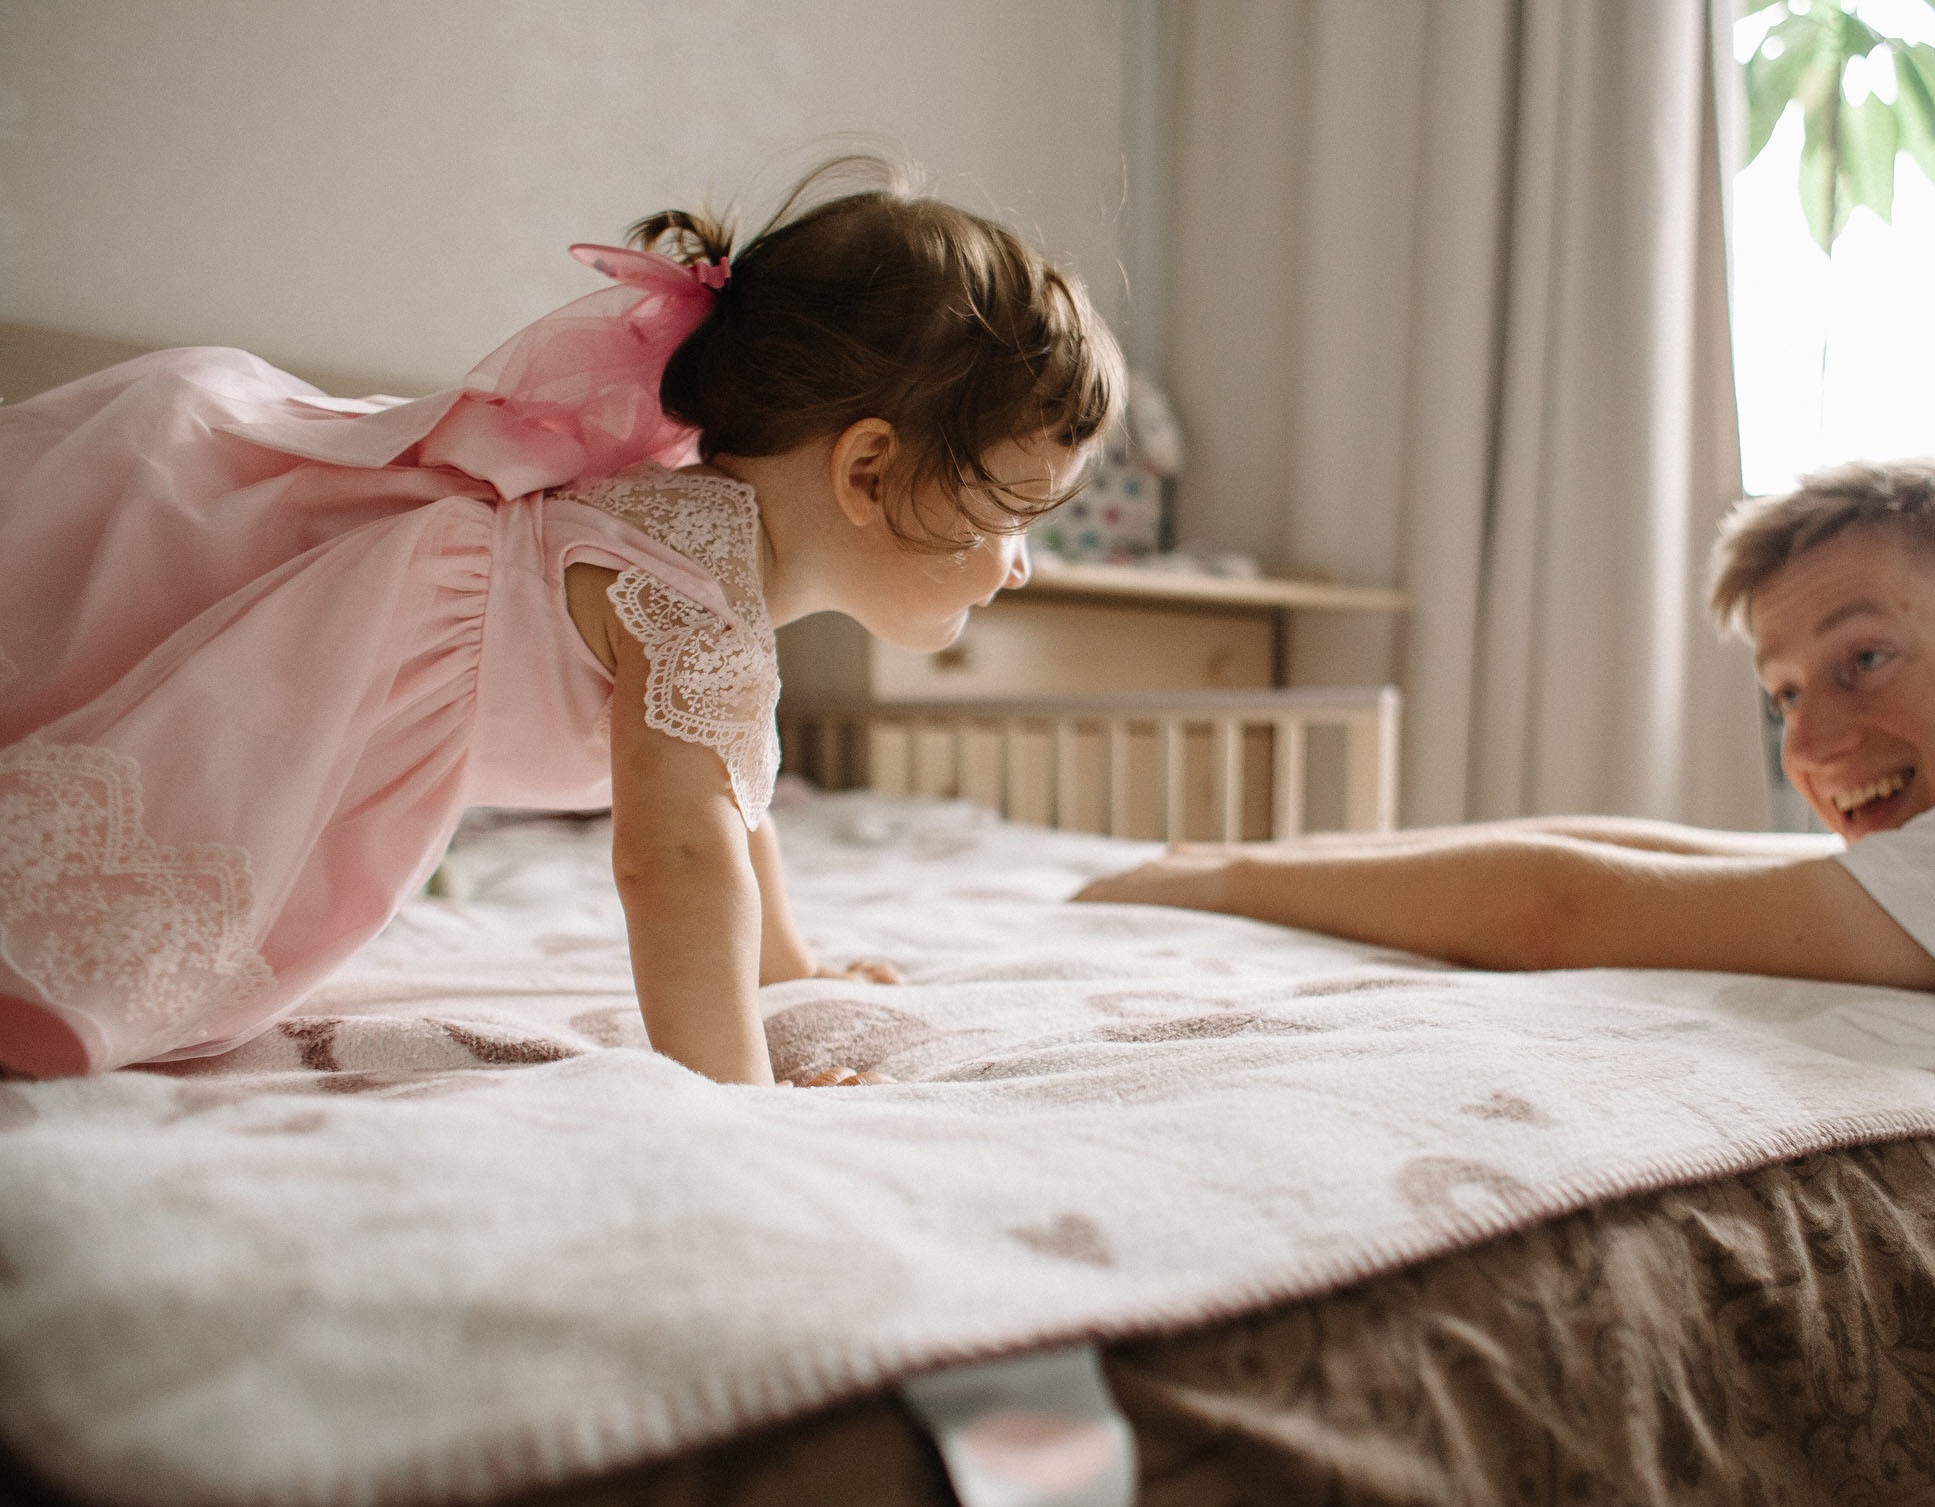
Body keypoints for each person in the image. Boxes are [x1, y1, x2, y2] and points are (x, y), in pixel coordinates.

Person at [1078, 457, 1935, 1507]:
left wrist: (1224, 880)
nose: (1811, 749)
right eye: (1785, 696)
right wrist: (1246, 863)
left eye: (1864, 659)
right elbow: (1681, 856)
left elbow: (1565, 912)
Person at [0, 157, 1122, 1087]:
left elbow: (735, 804)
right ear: (868, 471)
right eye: (1013, 515)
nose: (1022, 565)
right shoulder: (700, 592)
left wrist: (788, 968)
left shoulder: (711, 558)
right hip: (303, 665)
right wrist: (739, 1091)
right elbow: (677, 860)